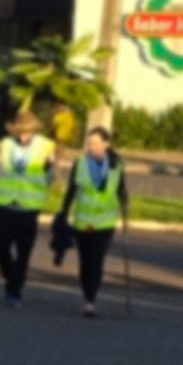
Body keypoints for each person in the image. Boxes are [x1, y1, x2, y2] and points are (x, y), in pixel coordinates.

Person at [54, 113, 129, 316]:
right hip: (83, 222)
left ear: (106, 144)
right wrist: (63, 212)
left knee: (96, 262)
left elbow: (122, 191)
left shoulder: (117, 166)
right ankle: (87, 294)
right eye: (89, 144)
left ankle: (90, 301)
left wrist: (125, 211)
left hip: (104, 224)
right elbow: (71, 190)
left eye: (96, 143)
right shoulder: (80, 164)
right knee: (84, 262)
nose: (92, 147)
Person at [0, 102, 55, 305]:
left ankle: (14, 291)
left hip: (28, 207)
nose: (23, 136)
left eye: (27, 132)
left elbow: (51, 175)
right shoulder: (7, 144)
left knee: (23, 252)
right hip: (6, 203)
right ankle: (12, 278)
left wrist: (47, 175)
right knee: (1, 246)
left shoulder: (45, 146)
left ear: (33, 131)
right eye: (20, 132)